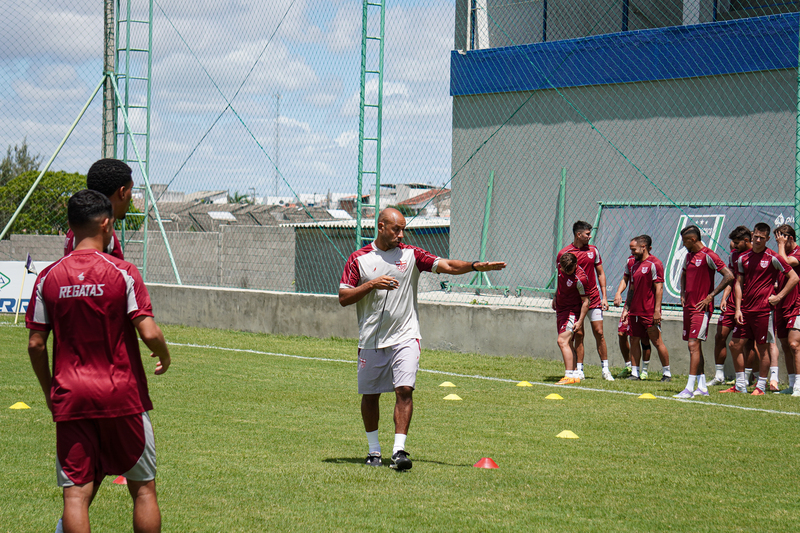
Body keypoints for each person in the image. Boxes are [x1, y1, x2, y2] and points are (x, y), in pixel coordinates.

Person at [26, 190, 171, 533]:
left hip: (71, 397)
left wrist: (50, 392)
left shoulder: (48, 277)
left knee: (76, 495)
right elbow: (148, 331)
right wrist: (165, 355)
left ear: (70, 224)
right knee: (143, 489)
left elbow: (36, 344)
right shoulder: (123, 272)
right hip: (122, 395)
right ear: (106, 224)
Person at [339, 208, 505, 470]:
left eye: (403, 229)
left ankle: (399, 451)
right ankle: (373, 451)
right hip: (371, 340)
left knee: (405, 390)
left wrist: (474, 266)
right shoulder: (358, 259)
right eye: (396, 229)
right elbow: (343, 297)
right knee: (370, 396)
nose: (401, 235)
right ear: (381, 227)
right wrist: (371, 284)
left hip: (406, 336)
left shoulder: (412, 255)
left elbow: (447, 265)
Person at [727, 222, 798, 395]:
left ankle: (761, 386)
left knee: (763, 347)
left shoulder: (773, 257)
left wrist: (778, 297)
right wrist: (738, 308)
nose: (758, 240)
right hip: (745, 310)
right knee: (734, 345)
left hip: (765, 311)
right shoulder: (743, 258)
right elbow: (739, 283)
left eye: (762, 238)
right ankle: (740, 385)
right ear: (752, 236)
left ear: (767, 239)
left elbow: (794, 277)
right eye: (756, 237)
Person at [673, 225, 733, 399]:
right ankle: (702, 386)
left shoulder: (709, 255)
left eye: (685, 241)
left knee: (693, 345)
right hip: (689, 308)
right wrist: (682, 293)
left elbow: (729, 275)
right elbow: (684, 274)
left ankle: (689, 389)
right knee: (695, 346)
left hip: (701, 309)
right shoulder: (689, 256)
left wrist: (710, 296)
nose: (683, 245)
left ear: (693, 239)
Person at [556, 221, 614, 381]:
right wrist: (556, 296)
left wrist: (604, 297)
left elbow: (600, 273)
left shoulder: (593, 251)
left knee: (599, 332)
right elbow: (561, 278)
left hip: (593, 298)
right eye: (587, 234)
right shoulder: (564, 253)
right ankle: (579, 370)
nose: (590, 236)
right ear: (578, 234)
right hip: (576, 302)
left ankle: (605, 369)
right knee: (579, 334)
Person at [711, 227, 758, 387]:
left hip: (748, 304)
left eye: (737, 243)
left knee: (748, 342)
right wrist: (724, 298)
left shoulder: (756, 255)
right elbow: (732, 279)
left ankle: (746, 377)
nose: (734, 245)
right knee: (720, 336)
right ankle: (719, 376)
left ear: (746, 240)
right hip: (732, 303)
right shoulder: (734, 255)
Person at [621, 235, 670, 380]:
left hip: (649, 311)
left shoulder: (655, 264)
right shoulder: (634, 265)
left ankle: (667, 373)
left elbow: (659, 288)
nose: (632, 252)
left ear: (643, 247)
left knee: (657, 341)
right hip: (635, 311)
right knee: (634, 340)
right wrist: (627, 309)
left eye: (634, 249)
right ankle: (635, 372)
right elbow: (632, 288)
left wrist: (657, 311)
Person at [64, 159, 134, 259]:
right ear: (122, 192)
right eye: (131, 189)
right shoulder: (100, 235)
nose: (131, 195)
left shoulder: (79, 226)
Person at [552, 253, 590, 385]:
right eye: (564, 269)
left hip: (571, 312)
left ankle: (568, 375)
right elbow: (560, 283)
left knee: (562, 341)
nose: (565, 272)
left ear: (576, 265)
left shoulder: (580, 279)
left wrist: (580, 321)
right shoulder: (561, 266)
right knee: (568, 343)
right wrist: (555, 296)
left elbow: (586, 301)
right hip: (561, 310)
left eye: (569, 270)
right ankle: (574, 374)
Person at [773, 225, 800, 395]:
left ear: (790, 238)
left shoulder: (797, 253)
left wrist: (781, 246)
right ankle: (791, 385)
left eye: (781, 240)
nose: (778, 244)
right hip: (781, 306)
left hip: (796, 305)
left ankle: (799, 385)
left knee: (794, 344)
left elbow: (785, 264)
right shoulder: (781, 253)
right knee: (785, 345)